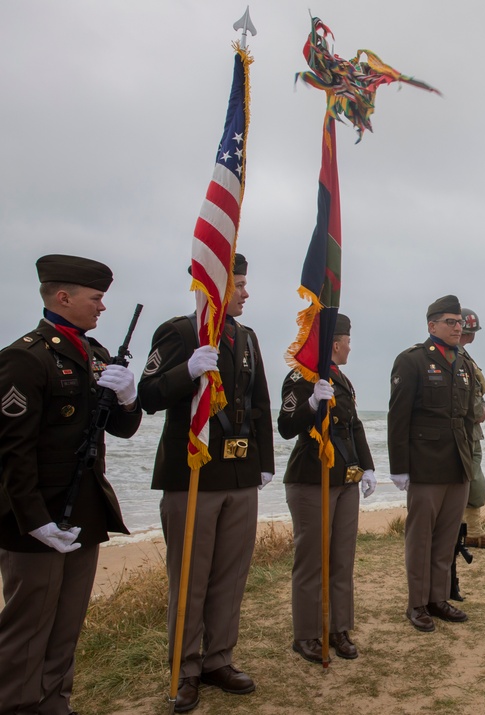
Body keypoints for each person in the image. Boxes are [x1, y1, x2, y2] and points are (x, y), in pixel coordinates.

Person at [0, 254, 142, 714]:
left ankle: (55, 703)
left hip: (85, 509)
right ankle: (16, 704)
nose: (102, 307)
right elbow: (11, 452)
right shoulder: (25, 358)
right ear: (64, 297)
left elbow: (122, 429)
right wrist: (34, 520)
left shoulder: (97, 355)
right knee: (27, 626)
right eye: (96, 298)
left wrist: (127, 397)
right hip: (35, 516)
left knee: (67, 622)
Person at [137, 254, 274, 713]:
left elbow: (259, 405)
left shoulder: (246, 338)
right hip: (193, 474)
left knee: (230, 577)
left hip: (238, 473)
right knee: (190, 580)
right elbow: (148, 395)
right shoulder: (179, 333)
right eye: (237, 285)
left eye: (244, 284)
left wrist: (264, 463)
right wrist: (188, 371)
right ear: (213, 287)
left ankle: (218, 659)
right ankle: (186, 667)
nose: (245, 293)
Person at [277, 313, 377, 664]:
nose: (350, 346)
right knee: (312, 562)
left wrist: (367, 467)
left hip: (344, 479)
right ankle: (306, 634)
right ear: (335, 343)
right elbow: (286, 426)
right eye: (347, 340)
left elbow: (355, 428)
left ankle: (338, 628)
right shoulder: (303, 377)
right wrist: (310, 404)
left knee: (341, 560)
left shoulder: (342, 380)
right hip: (311, 478)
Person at [387, 295, 475, 632]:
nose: (458, 326)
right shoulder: (412, 361)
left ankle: (439, 598)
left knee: (446, 538)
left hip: (457, 465)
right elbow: (398, 417)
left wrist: (468, 461)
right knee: (421, 539)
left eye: (459, 322)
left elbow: (466, 418)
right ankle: (417, 603)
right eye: (451, 322)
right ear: (432, 325)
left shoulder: (463, 364)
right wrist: (400, 467)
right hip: (426, 465)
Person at [458, 308, 485, 549]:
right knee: (471, 482)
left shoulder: (464, 356)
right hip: (464, 430)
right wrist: (479, 411)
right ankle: (469, 531)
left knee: (474, 483)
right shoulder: (459, 357)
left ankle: (472, 530)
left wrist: (481, 409)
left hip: (471, 430)